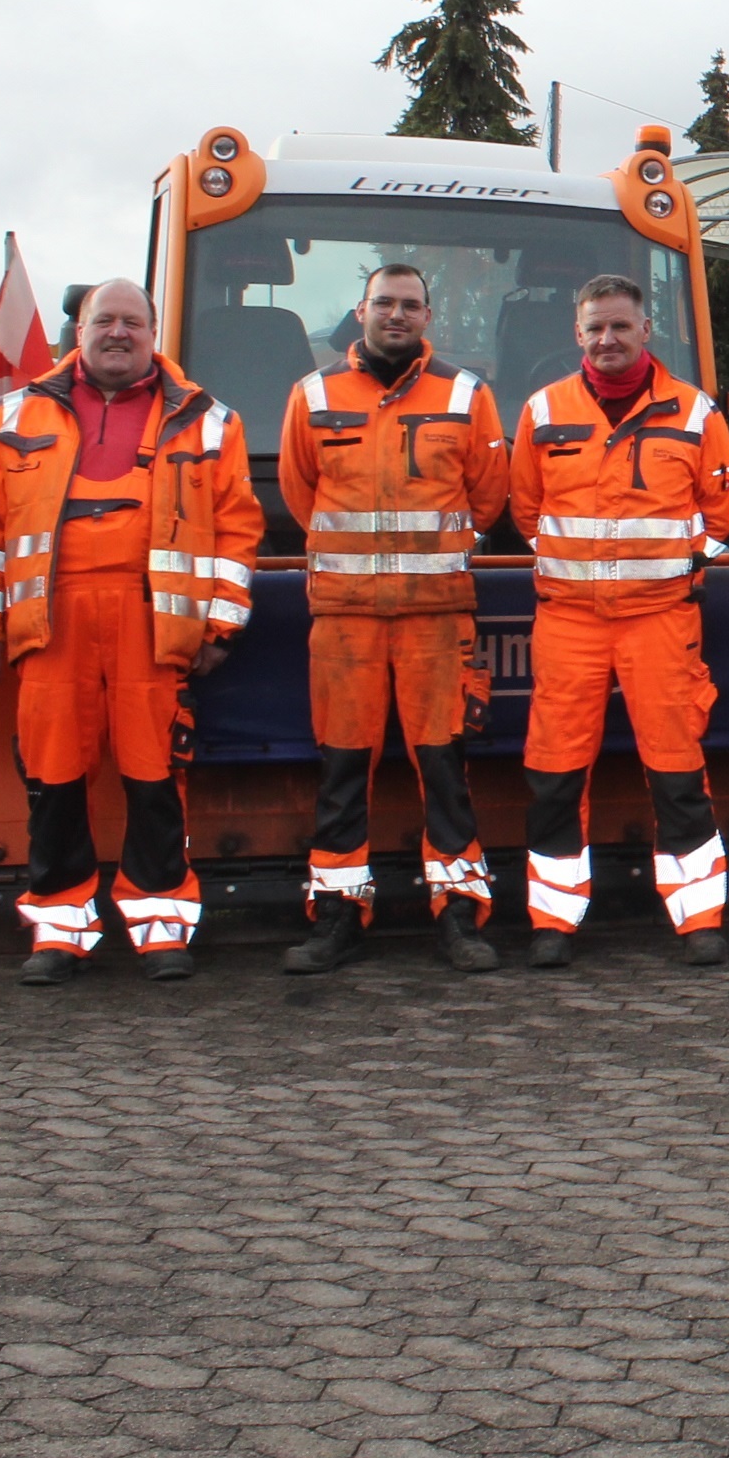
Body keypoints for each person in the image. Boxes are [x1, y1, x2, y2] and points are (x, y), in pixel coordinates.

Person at [0, 278, 260, 984]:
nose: (118, 333)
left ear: (153, 333)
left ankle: (161, 930)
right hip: (50, 625)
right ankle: (58, 933)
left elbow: (236, 533)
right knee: (54, 781)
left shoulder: (209, 421)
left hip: (154, 626)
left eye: (132, 322)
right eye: (104, 321)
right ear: (80, 331)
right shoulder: (12, 415)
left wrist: (220, 626)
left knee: (155, 779)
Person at [274, 263, 510, 977]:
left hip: (437, 621)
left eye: (410, 305)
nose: (397, 315)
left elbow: (488, 496)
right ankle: (338, 917)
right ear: (361, 311)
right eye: (385, 303)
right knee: (343, 772)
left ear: (428, 317)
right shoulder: (313, 396)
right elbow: (299, 492)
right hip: (344, 621)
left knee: (445, 771)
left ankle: (460, 917)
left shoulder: (467, 395)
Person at [507, 275, 729, 968]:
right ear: (577, 335)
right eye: (595, 328)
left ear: (646, 330)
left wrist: (678, 566)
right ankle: (553, 922)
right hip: (569, 621)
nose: (607, 339)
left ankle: (699, 919)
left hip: (661, 620)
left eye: (619, 326)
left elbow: (725, 514)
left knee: (677, 769)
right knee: (554, 772)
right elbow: (525, 511)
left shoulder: (694, 412)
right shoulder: (543, 410)